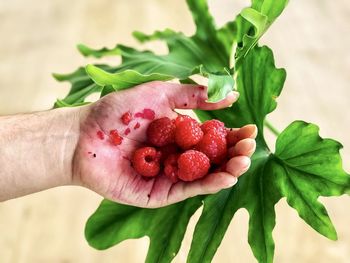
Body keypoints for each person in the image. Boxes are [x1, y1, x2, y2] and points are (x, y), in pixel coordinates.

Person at [0, 81, 257, 207]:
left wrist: (74, 141)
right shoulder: (168, 144)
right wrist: (76, 139)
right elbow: (175, 140)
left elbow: (185, 146)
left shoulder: (181, 148)